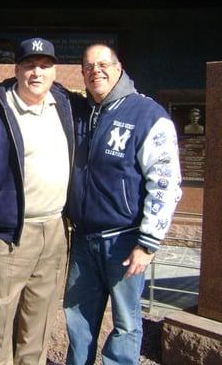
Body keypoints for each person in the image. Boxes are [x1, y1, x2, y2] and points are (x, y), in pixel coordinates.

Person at [0, 37, 74, 365]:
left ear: (54, 71)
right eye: (30, 65)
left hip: (54, 230)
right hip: (9, 235)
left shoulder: (63, 105)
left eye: (45, 66)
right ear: (16, 69)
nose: (37, 73)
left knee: (40, 316)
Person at [64, 44, 182, 365]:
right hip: (84, 241)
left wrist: (148, 243)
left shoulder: (147, 115)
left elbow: (165, 183)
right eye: (88, 66)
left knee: (126, 325)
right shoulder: (80, 112)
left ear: (119, 67)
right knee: (77, 321)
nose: (95, 71)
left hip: (125, 242)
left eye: (103, 64)